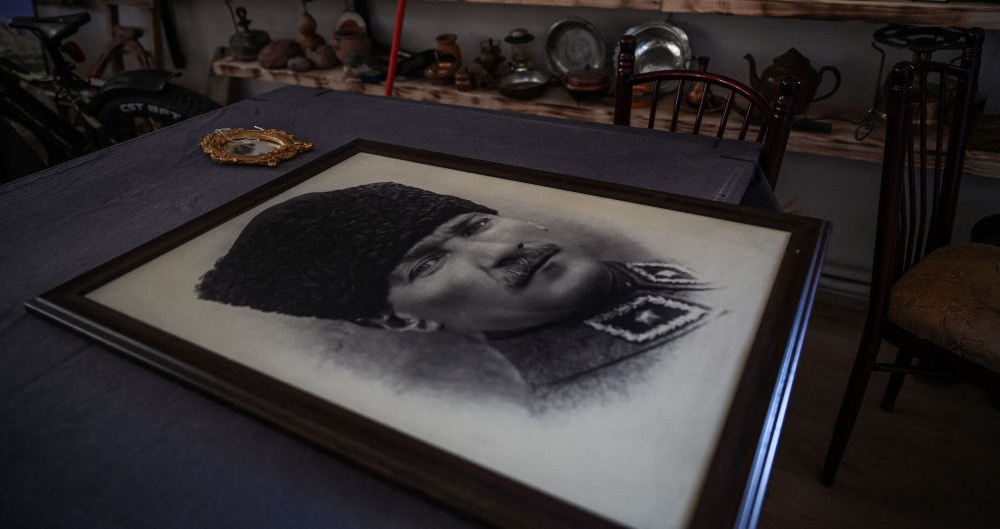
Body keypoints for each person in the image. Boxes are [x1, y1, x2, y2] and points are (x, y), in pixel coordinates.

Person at [197, 182, 712, 389]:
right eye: (426, 265)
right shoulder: (597, 392)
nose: (500, 250)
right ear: (397, 318)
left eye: (473, 227)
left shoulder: (661, 268)